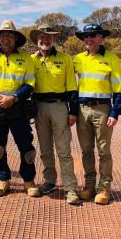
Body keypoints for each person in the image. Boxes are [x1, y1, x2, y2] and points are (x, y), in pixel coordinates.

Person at [0, 20, 39, 197]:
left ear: (15, 38)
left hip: (18, 108)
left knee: (27, 149)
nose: (6, 38)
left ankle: (29, 181)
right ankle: (3, 180)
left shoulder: (26, 59)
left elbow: (30, 85)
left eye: (9, 35)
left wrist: (13, 98)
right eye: (3, 35)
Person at [73, 23, 121, 205]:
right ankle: (89, 186)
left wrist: (116, 111)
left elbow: (119, 87)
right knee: (86, 151)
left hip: (103, 109)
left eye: (93, 35)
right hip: (82, 110)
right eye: (86, 36)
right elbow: (69, 85)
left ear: (101, 38)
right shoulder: (77, 59)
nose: (89, 39)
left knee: (104, 151)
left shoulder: (111, 59)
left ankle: (104, 188)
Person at [29, 24, 80, 205]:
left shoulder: (65, 59)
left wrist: (73, 112)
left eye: (49, 37)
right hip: (39, 107)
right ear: (37, 40)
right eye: (42, 37)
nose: (45, 40)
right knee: (45, 149)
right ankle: (49, 181)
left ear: (53, 40)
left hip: (60, 107)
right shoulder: (31, 60)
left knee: (63, 150)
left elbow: (73, 88)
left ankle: (70, 188)